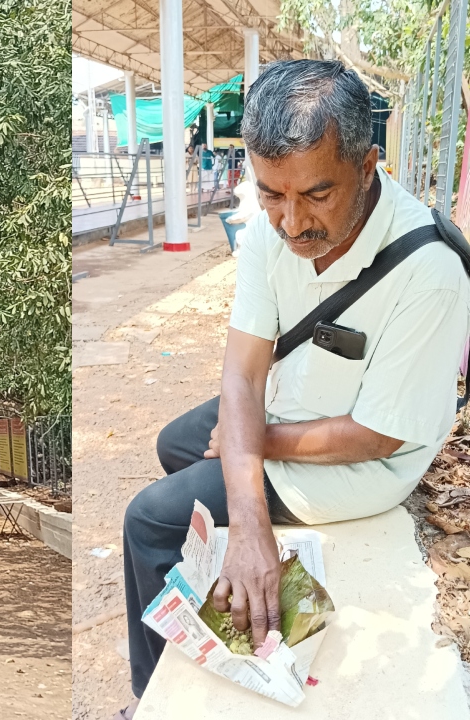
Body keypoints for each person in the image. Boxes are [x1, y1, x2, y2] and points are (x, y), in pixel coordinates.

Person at [116, 60, 470, 719]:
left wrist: (253, 445)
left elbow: (378, 434)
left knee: (149, 520)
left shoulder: (431, 271)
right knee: (179, 444)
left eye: (316, 195)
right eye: (272, 194)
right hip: (301, 405)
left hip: (368, 462)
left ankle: (147, 699)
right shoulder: (270, 230)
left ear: (367, 168)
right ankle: (228, 580)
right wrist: (248, 516)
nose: (291, 221)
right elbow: (244, 372)